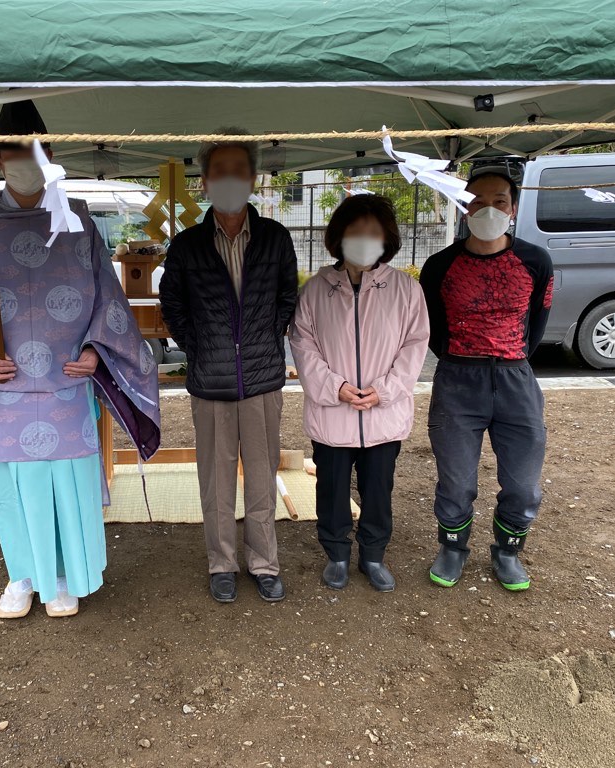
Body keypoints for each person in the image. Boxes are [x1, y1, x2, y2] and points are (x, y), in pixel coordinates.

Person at [0, 100, 161, 619]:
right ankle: (20, 577)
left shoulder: (76, 218)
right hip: (6, 386)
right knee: (14, 488)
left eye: (32, 149)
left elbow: (108, 297)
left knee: (67, 486)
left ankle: (65, 577)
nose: (22, 160)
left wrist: (95, 351)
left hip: (65, 380)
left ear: (50, 153)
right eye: (11, 151)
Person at [159, 128, 298, 604]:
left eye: (240, 170)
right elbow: (172, 305)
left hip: (262, 381)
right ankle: (221, 562)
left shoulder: (276, 238)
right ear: (204, 180)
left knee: (262, 477)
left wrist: (264, 338)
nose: (230, 179)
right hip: (210, 382)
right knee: (215, 481)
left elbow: (287, 297)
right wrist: (198, 349)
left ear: (254, 178)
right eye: (220, 171)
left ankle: (264, 563)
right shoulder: (187, 245)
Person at [419, 170, 553, 591]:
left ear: (512, 209)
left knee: (524, 483)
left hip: (516, 378)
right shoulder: (440, 266)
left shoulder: (535, 261)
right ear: (463, 207)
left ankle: (507, 550)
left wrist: (510, 358)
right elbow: (434, 331)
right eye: (477, 201)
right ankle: (453, 547)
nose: (488, 209)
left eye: (499, 201)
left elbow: (537, 323)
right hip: (458, 378)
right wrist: (464, 359)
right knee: (456, 478)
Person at [290, 195, 429, 591]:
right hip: (332, 414)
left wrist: (382, 391)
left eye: (372, 231)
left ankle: (372, 554)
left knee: (378, 489)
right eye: (355, 231)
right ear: (338, 237)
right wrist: (336, 387)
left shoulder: (405, 290)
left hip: (384, 415)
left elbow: (415, 345)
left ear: (387, 238)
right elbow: (303, 344)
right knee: (331, 487)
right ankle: (335, 553)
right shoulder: (316, 291)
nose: (364, 239)